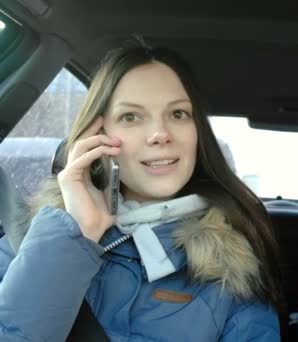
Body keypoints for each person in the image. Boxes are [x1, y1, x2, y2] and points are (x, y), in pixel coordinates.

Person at [0, 40, 282, 341]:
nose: (160, 134)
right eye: (131, 117)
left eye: (178, 114)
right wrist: (76, 233)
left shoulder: (234, 275)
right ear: (97, 134)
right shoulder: (32, 242)